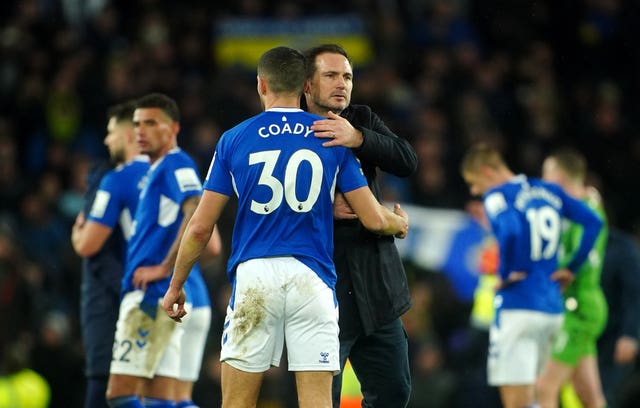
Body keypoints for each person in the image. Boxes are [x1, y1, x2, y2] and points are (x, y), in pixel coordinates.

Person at [161, 46, 409, 408]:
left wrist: (176, 285)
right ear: (306, 86)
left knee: (237, 403)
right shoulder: (329, 135)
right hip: (314, 281)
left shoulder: (234, 139)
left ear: (261, 85)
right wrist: (397, 224)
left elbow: (200, 227)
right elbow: (372, 217)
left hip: (255, 278)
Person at [302, 43, 417, 408]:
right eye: (331, 76)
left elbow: (406, 160)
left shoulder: (361, 118)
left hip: (376, 284)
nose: (342, 84)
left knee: (394, 393)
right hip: (323, 286)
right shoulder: (291, 129)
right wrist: (323, 208)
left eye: (348, 76)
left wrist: (359, 138)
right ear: (307, 85)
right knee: (322, 399)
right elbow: (267, 203)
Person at [459, 143, 603, 408]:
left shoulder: (497, 196)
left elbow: (512, 229)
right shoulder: (548, 190)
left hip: (518, 308)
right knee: (539, 396)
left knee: (518, 403)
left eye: (473, 182)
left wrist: (505, 272)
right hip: (551, 310)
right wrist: (571, 267)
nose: (475, 191)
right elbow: (595, 222)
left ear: (486, 171)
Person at [105, 93, 204, 408]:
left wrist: (164, 268)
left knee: (120, 394)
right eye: (136, 124)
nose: (140, 131)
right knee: (161, 398)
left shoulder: (175, 163)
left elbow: (196, 207)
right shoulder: (155, 170)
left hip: (150, 296)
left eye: (150, 123)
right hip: (159, 297)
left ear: (173, 127)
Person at [71, 100, 149, 408]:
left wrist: (79, 235)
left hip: (129, 295)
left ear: (129, 134)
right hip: (131, 295)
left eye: (111, 132)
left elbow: (88, 244)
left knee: (120, 387)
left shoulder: (115, 178)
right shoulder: (169, 171)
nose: (106, 140)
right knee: (115, 383)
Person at [536, 147, 609, 408]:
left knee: (545, 387)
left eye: (547, 174)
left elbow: (578, 260)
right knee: (588, 395)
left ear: (559, 178)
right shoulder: (577, 210)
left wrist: (558, 273)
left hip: (578, 308)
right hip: (580, 306)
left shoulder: (588, 213)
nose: (543, 182)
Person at [597, 226, 640, 407]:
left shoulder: (621, 248)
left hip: (613, 339)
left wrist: (630, 335)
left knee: (606, 393)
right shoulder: (569, 243)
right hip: (582, 336)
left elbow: (635, 294)